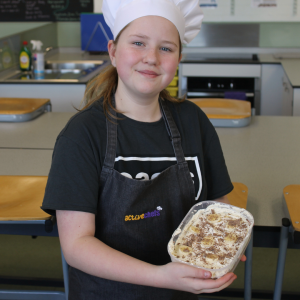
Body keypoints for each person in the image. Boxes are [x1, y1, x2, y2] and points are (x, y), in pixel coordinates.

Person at [42, 0, 246, 299]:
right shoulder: (83, 134)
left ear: (178, 58)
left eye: (166, 48)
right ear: (113, 51)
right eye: (138, 43)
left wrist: (222, 243)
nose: (151, 58)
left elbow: (217, 205)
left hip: (184, 289)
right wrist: (160, 276)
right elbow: (76, 246)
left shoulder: (193, 121)